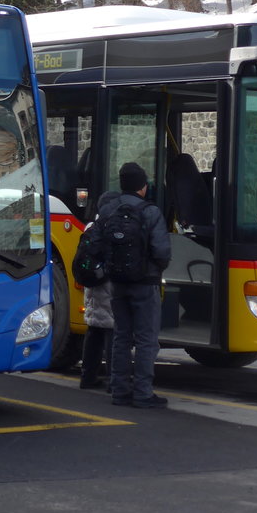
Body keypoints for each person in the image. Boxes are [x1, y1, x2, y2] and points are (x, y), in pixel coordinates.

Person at [92, 162, 172, 408]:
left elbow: (94, 244)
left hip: (117, 282)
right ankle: (143, 393)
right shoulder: (150, 212)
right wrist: (155, 269)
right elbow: (161, 251)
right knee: (147, 338)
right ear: (143, 187)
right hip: (145, 283)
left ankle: (119, 391)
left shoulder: (107, 210)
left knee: (121, 336)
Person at [79, 279, 113, 390]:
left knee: (94, 330)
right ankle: (113, 381)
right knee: (111, 332)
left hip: (93, 286)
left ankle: (87, 377)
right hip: (109, 287)